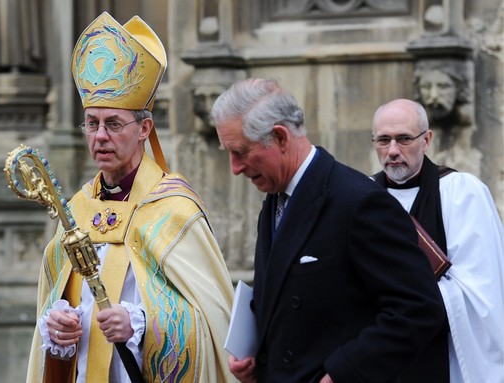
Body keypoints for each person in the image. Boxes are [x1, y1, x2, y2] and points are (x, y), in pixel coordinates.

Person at [25, 12, 236, 383]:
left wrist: (142, 326)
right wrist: (55, 326)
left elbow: (213, 326)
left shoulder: (174, 210)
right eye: (91, 123)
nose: (100, 136)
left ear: (144, 129)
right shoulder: (75, 211)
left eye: (113, 123)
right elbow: (58, 299)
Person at [210, 78, 447, 383]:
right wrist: (256, 354)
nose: (234, 167)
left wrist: (342, 373)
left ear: (281, 138)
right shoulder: (274, 199)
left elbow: (419, 310)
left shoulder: (361, 202)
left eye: (241, 152)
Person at [371, 98, 504, 383]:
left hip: (445, 357)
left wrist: (403, 305)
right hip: (378, 358)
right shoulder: (361, 197)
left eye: (404, 139)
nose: (392, 150)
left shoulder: (462, 194)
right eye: (383, 140)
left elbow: (481, 294)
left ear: (427, 140)